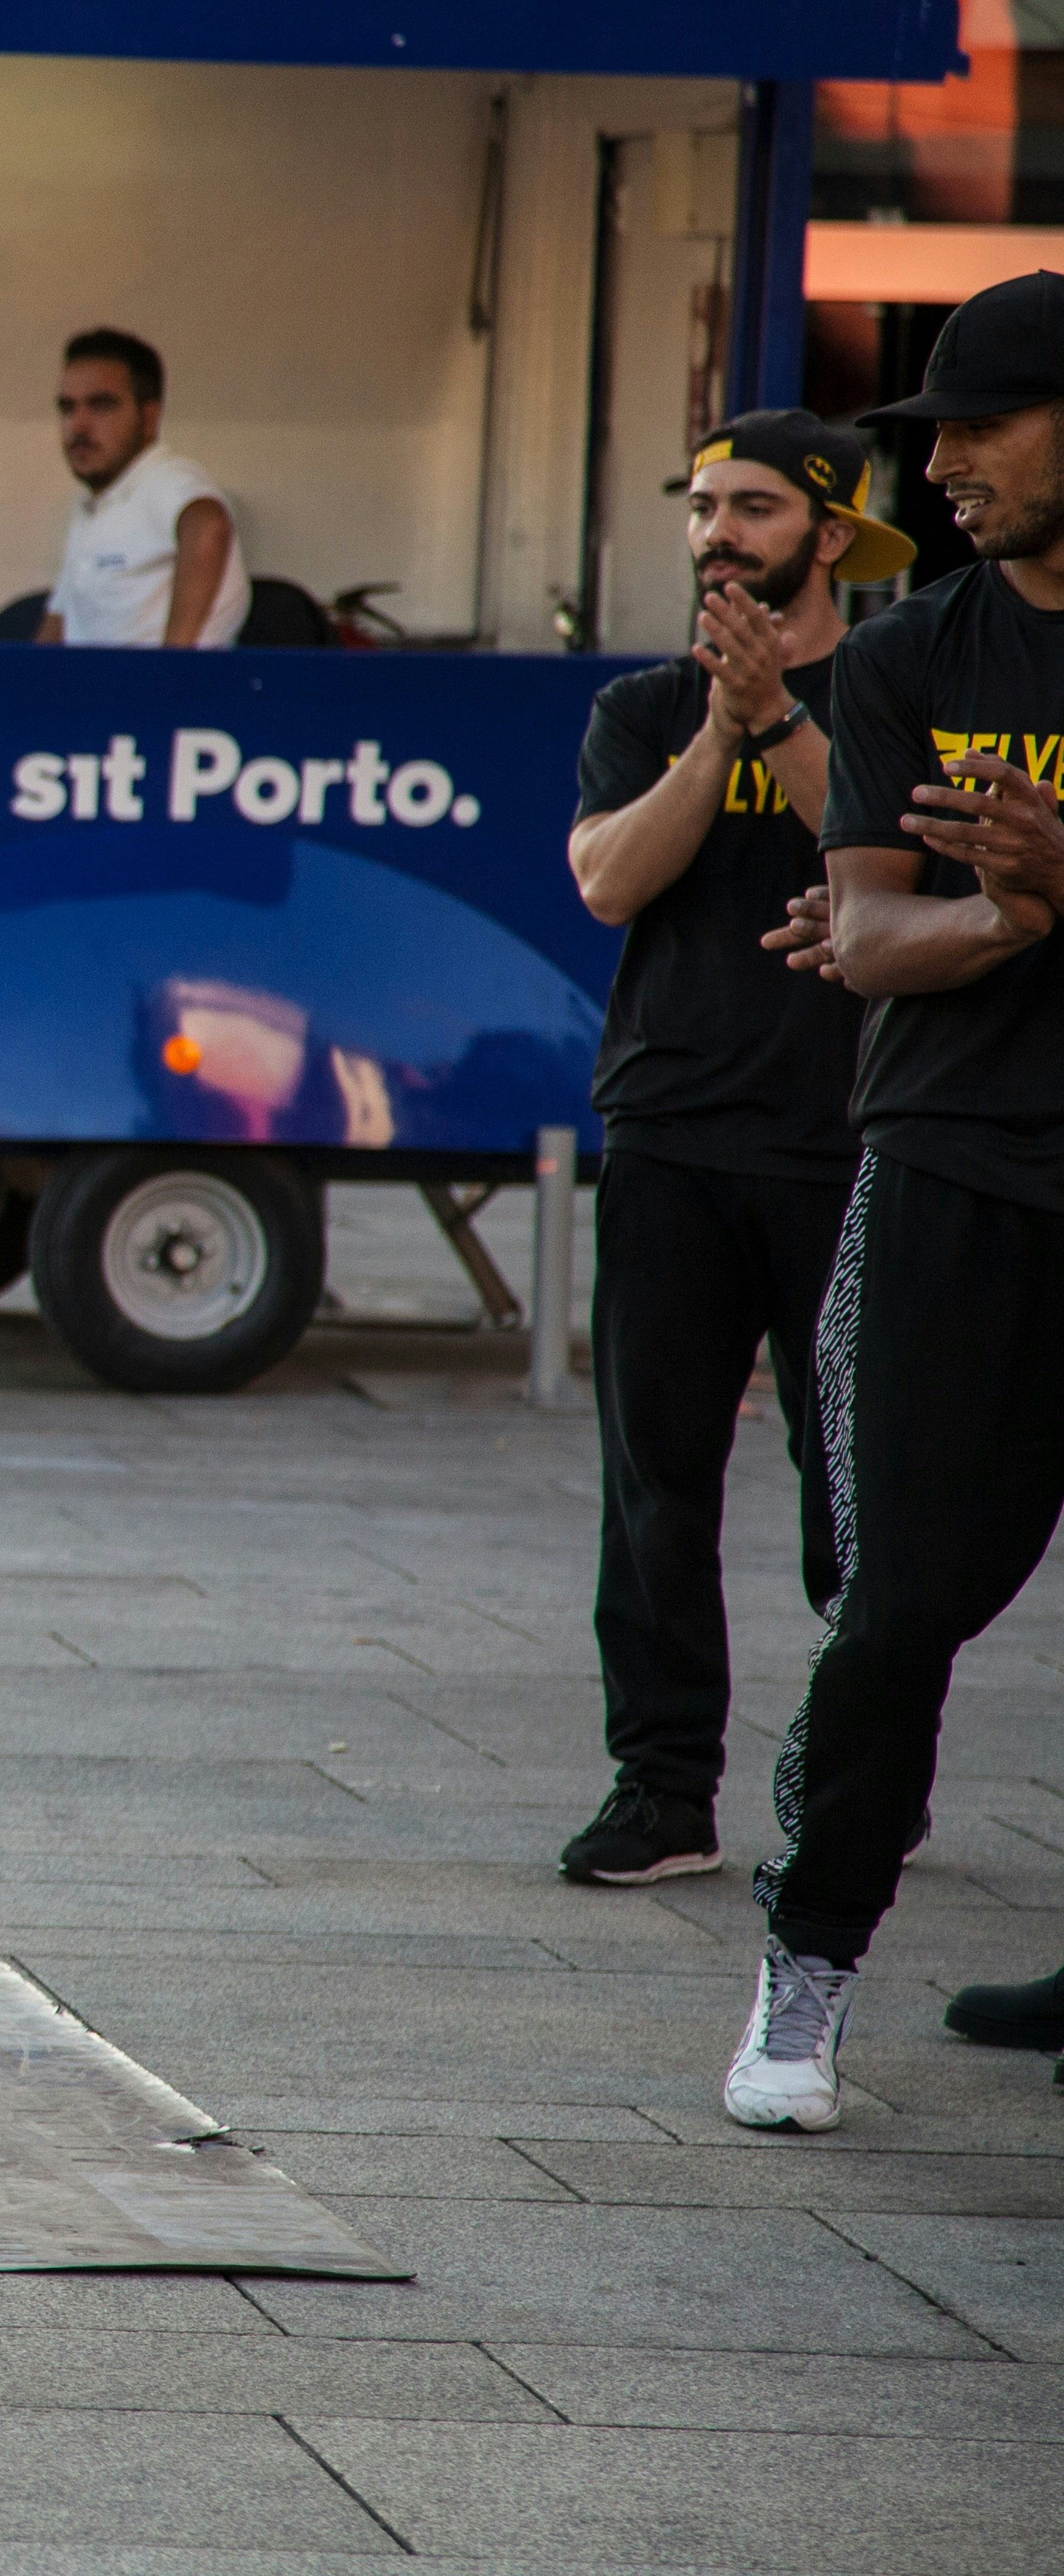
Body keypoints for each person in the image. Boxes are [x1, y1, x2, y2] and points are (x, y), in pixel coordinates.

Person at [740, 268, 1064, 2130]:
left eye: (977, 427)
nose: (937, 467)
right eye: (923, 432)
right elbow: (862, 930)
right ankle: (806, 1965)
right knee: (897, 1606)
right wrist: (1012, 917)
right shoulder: (906, 661)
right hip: (949, 1177)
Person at [555, 411, 903, 1889]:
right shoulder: (642, 709)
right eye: (703, 510)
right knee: (654, 1481)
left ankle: (850, 1779)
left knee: (858, 1490)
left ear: (828, 535)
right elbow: (608, 881)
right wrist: (716, 726)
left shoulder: (891, 692)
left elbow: (884, 857)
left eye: (751, 509)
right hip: (670, 1135)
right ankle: (662, 1787)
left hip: (845, 1145)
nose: (715, 534)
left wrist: (779, 722)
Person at [39, 327, 244, 650]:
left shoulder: (164, 478)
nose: (78, 425)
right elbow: (60, 623)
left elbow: (208, 525)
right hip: (93, 696)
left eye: (101, 406)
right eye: (68, 408)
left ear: (148, 418)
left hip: (162, 696)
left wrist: (168, 671)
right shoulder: (93, 506)